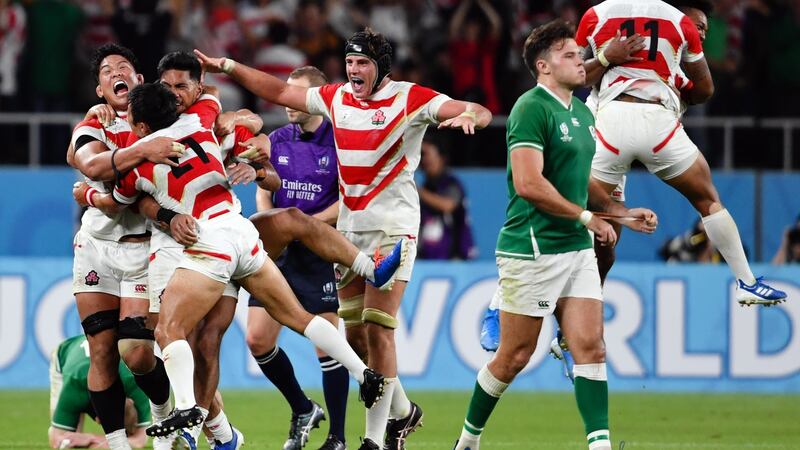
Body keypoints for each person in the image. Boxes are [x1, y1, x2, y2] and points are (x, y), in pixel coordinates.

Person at [193, 26, 493, 450]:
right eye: (350, 62)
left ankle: (373, 439)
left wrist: (469, 117)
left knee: (377, 330)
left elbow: (476, 109)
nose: (354, 70)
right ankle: (404, 412)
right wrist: (227, 66)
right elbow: (279, 91)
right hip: (349, 233)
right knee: (352, 336)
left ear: (381, 67)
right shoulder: (336, 98)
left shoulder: (411, 98)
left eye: (363, 63)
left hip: (393, 228)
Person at [80, 82, 387, 441]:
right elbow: (212, 96)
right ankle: (364, 373)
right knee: (300, 317)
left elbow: (116, 200)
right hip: (243, 233)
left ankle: (187, 409)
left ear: (143, 128)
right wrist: (240, 118)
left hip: (209, 241)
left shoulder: (139, 163)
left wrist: (86, 192)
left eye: (131, 118)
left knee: (167, 330)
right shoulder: (199, 122)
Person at [453, 20, 657, 450]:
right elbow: (529, 184)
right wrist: (587, 218)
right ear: (543, 66)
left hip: (576, 249)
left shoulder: (582, 112)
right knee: (513, 357)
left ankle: (599, 446)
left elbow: (582, 183)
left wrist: (621, 213)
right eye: (569, 54)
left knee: (591, 347)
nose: (581, 60)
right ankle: (467, 442)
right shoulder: (532, 107)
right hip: (532, 248)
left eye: (580, 53)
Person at [576, 0, 786, 306]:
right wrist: (678, 92)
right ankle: (746, 281)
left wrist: (607, 57)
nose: (701, 33)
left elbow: (574, 74)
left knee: (572, 213)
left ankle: (560, 304)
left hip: (608, 123)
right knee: (709, 201)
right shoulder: (678, 19)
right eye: (700, 27)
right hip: (657, 123)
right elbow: (706, 88)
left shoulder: (597, 13)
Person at [66, 43, 182, 450]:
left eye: (124, 67)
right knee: (101, 351)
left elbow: (121, 196)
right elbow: (88, 162)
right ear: (100, 89)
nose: (115, 72)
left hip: (141, 252)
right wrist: (101, 191)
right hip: (97, 247)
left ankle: (165, 413)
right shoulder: (92, 125)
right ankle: (117, 444)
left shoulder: (161, 122)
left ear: (138, 79)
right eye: (105, 71)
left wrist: (93, 196)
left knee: (135, 354)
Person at [246, 66, 347, 450]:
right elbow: (262, 190)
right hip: (279, 251)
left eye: (296, 94)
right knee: (257, 340)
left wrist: (304, 227)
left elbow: (348, 200)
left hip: (319, 252)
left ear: (316, 99)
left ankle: (337, 437)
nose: (286, 101)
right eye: (285, 93)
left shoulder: (338, 142)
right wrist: (275, 227)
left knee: (328, 345)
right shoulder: (276, 139)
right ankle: (303, 407)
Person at [49, 334, 149, 449]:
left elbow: (140, 440)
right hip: (66, 355)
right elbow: (56, 440)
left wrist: (93, 439)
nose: (125, 435)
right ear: (99, 418)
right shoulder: (75, 384)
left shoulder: (136, 384)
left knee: (74, 439)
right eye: (126, 431)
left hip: (97, 357)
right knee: (69, 441)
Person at [418, 139, 477, 260]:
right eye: (421, 155)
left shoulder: (452, 183)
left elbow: (448, 205)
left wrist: (416, 190)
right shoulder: (426, 186)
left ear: (441, 158)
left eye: (426, 154)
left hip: (455, 258)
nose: (424, 160)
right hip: (427, 259)